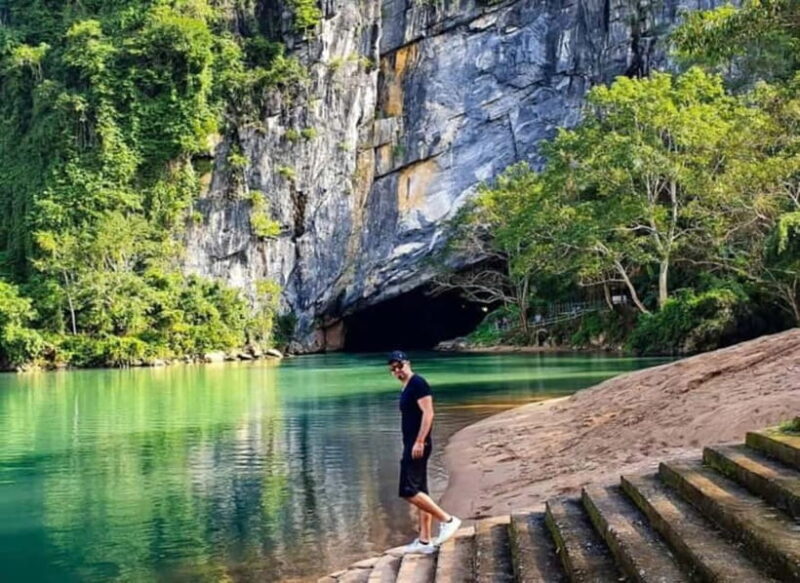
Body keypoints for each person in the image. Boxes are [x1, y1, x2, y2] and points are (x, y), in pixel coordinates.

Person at [387, 350, 462, 554]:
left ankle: (448, 520)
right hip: (411, 444)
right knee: (421, 490)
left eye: (400, 366)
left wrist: (420, 441)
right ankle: (424, 541)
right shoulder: (407, 387)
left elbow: (429, 413)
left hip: (417, 445)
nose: (397, 371)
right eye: (393, 369)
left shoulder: (418, 383)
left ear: (408, 363)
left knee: (408, 490)